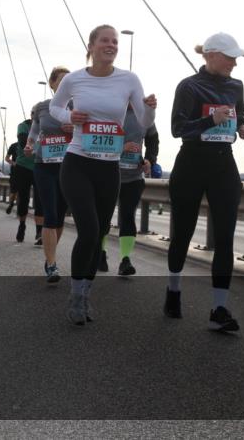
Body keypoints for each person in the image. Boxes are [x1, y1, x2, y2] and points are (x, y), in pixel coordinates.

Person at [50, 24, 156, 326]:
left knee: (99, 234)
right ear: (91, 46)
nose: (111, 45)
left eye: (115, 42)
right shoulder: (74, 79)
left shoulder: (129, 79)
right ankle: (76, 296)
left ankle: (85, 292)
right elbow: (55, 107)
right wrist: (69, 116)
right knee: (88, 229)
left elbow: (144, 121)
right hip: (78, 162)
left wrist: (150, 109)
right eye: (105, 41)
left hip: (109, 167)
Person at [165, 32, 244, 332]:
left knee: (225, 238)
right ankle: (173, 290)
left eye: (236, 58)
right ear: (211, 55)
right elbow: (178, 129)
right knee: (183, 234)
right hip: (191, 163)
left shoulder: (236, 86)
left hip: (224, 164)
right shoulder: (189, 86)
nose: (234, 64)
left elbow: (240, 113)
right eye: (230, 58)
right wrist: (210, 121)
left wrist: (242, 126)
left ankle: (219, 309)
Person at [26, 66, 72, 283]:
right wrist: (29, 143)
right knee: (50, 214)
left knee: (60, 215)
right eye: (61, 81)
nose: (65, 85)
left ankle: (49, 256)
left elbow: (89, 133)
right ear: (52, 84)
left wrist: (76, 129)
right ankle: (52, 264)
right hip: (44, 165)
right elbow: (35, 130)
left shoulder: (79, 107)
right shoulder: (42, 107)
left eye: (69, 81)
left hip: (69, 167)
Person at [105, 106, 158, 276]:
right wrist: (121, 148)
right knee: (104, 216)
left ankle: (125, 260)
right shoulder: (110, 110)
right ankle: (101, 252)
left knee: (128, 216)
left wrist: (149, 160)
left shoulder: (144, 116)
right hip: (108, 174)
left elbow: (153, 140)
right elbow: (98, 141)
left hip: (134, 177)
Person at [13, 116, 38, 243]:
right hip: (23, 167)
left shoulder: (47, 126)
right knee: (24, 198)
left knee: (40, 199)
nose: (35, 115)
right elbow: (24, 142)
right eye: (33, 112)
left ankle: (40, 231)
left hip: (40, 166)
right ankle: (22, 225)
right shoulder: (23, 126)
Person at [4, 140, 20, 214]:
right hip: (14, 172)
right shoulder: (13, 145)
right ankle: (11, 204)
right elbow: (6, 158)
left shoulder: (30, 145)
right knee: (13, 192)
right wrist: (14, 163)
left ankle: (19, 209)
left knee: (21, 192)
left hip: (25, 172)